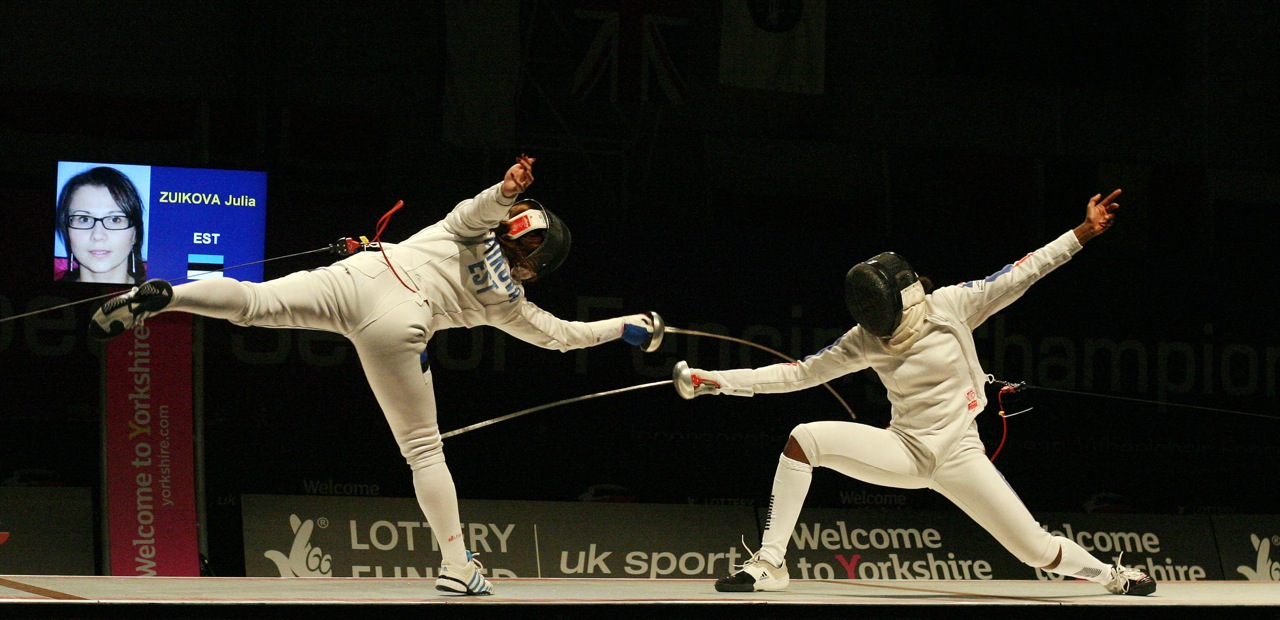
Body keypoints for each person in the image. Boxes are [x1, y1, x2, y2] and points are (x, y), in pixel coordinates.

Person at [90, 155, 663, 595]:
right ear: (536, 265)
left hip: (365, 272)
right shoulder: (508, 302)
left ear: (513, 227)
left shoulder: (465, 228)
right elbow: (564, 337)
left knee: (253, 300)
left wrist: (507, 188)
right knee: (423, 451)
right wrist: (625, 326)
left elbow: (479, 210)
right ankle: (458, 567)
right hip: (400, 322)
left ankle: (170, 299)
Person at [673, 189, 1157, 596]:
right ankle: (771, 562)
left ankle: (1111, 575)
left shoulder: (951, 305)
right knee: (804, 439)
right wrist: (719, 382)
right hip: (904, 449)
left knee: (1035, 548)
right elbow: (799, 373)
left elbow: (1023, 272)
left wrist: (1084, 232)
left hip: (960, 453)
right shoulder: (865, 337)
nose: (876, 330)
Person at [55, 166, 147, 284]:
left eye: (115, 219)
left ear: (135, 233)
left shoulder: (163, 294)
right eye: (84, 219)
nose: (98, 235)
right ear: (67, 230)